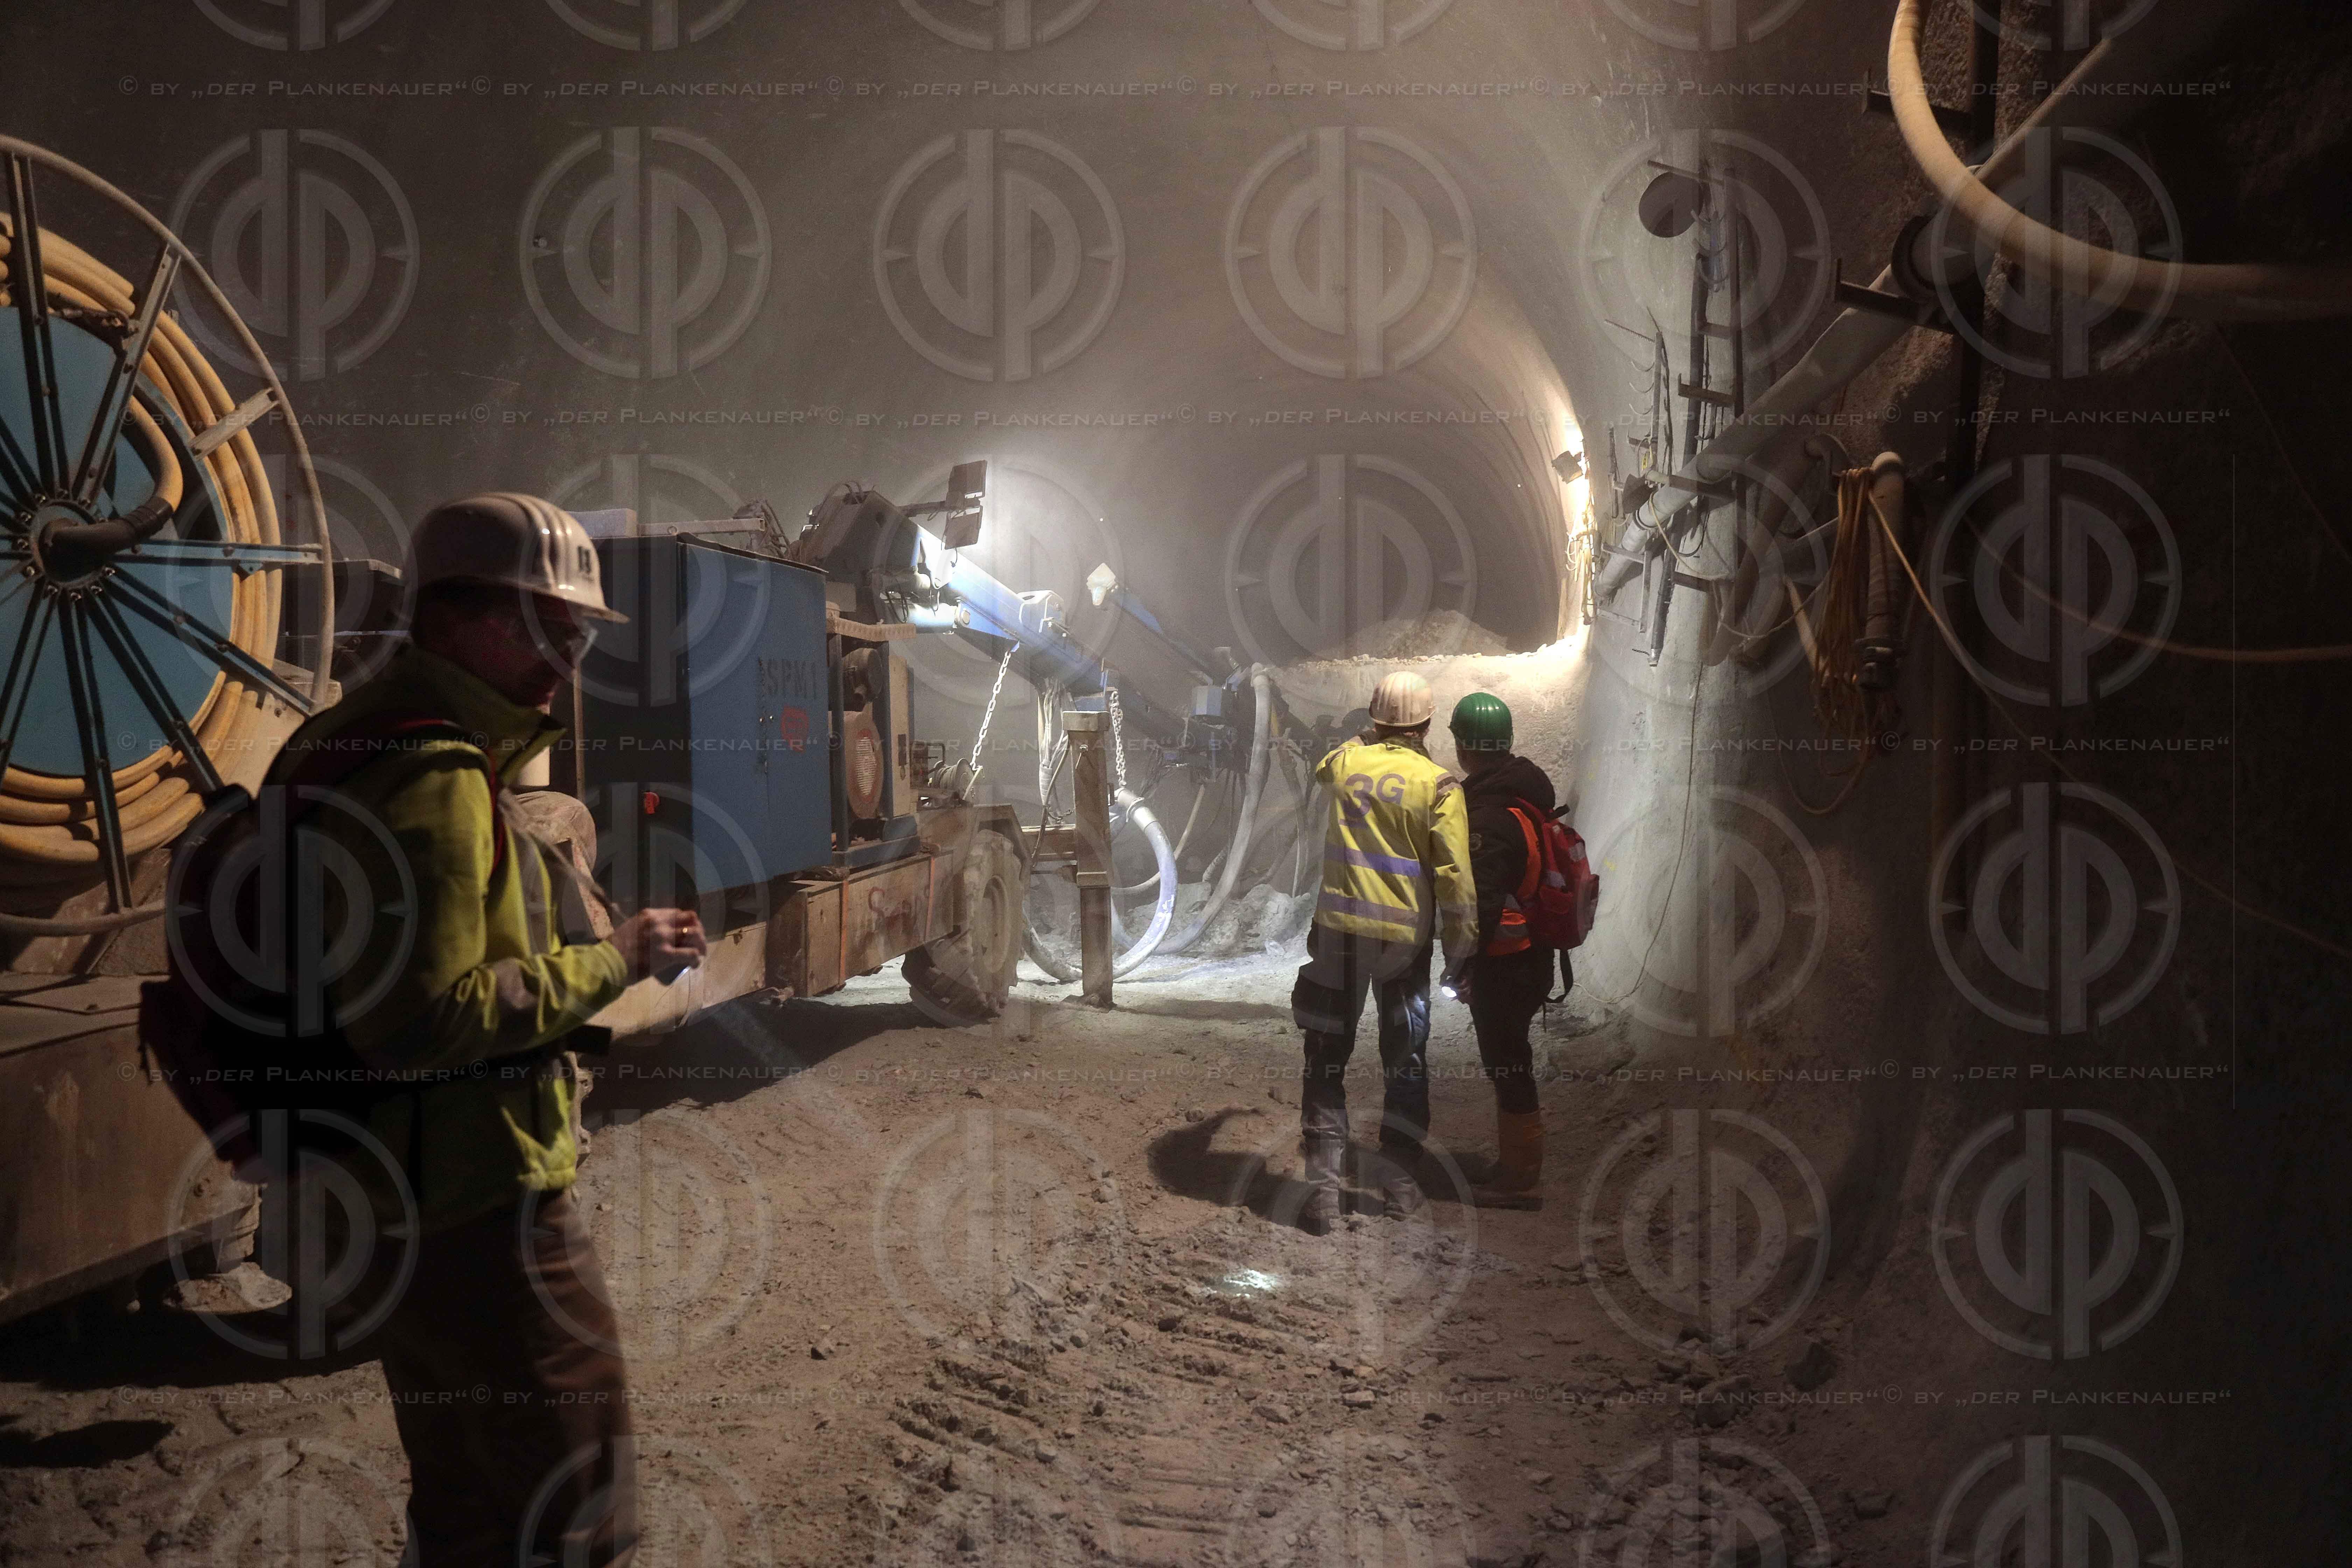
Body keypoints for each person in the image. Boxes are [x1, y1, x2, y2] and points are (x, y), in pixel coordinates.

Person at [274, 492, 707, 1567]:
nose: (570, 656)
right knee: (576, 1501)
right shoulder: (435, 776)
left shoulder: (340, 739)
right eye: (551, 626)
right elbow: (425, 1019)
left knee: (464, 1494)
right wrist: (614, 961)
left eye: (580, 633)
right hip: (480, 1201)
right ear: (465, 618)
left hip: (385, 1193)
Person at [1290, 670, 1477, 1234]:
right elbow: (1456, 881)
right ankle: (1398, 1189)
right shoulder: (1441, 786)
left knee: (1326, 1055)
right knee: (1405, 1059)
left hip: (1338, 936)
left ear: (1375, 722)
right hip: (1403, 945)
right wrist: (1462, 950)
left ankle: (1322, 1199)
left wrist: (1360, 739)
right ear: (1426, 724)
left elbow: (1324, 763)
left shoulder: (1346, 765)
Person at [1441, 691, 1562, 1209]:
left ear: (1464, 748)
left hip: (1507, 960)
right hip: (1532, 955)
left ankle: (1519, 1176)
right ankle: (1518, 1165)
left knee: (1507, 1060)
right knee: (1511, 1058)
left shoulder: (1489, 815)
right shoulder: (1524, 793)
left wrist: (1460, 966)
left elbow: (1482, 903)